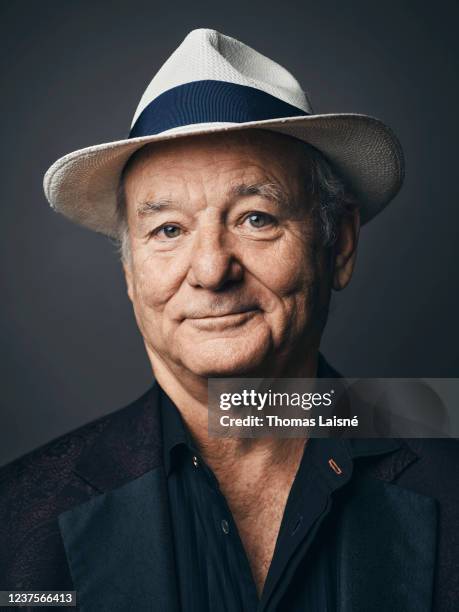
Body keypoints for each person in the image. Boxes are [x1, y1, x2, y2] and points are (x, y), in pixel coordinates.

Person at [1, 28, 457, 612]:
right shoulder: (16, 521)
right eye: (168, 230)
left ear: (338, 245)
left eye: (256, 218)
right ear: (131, 273)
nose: (213, 271)